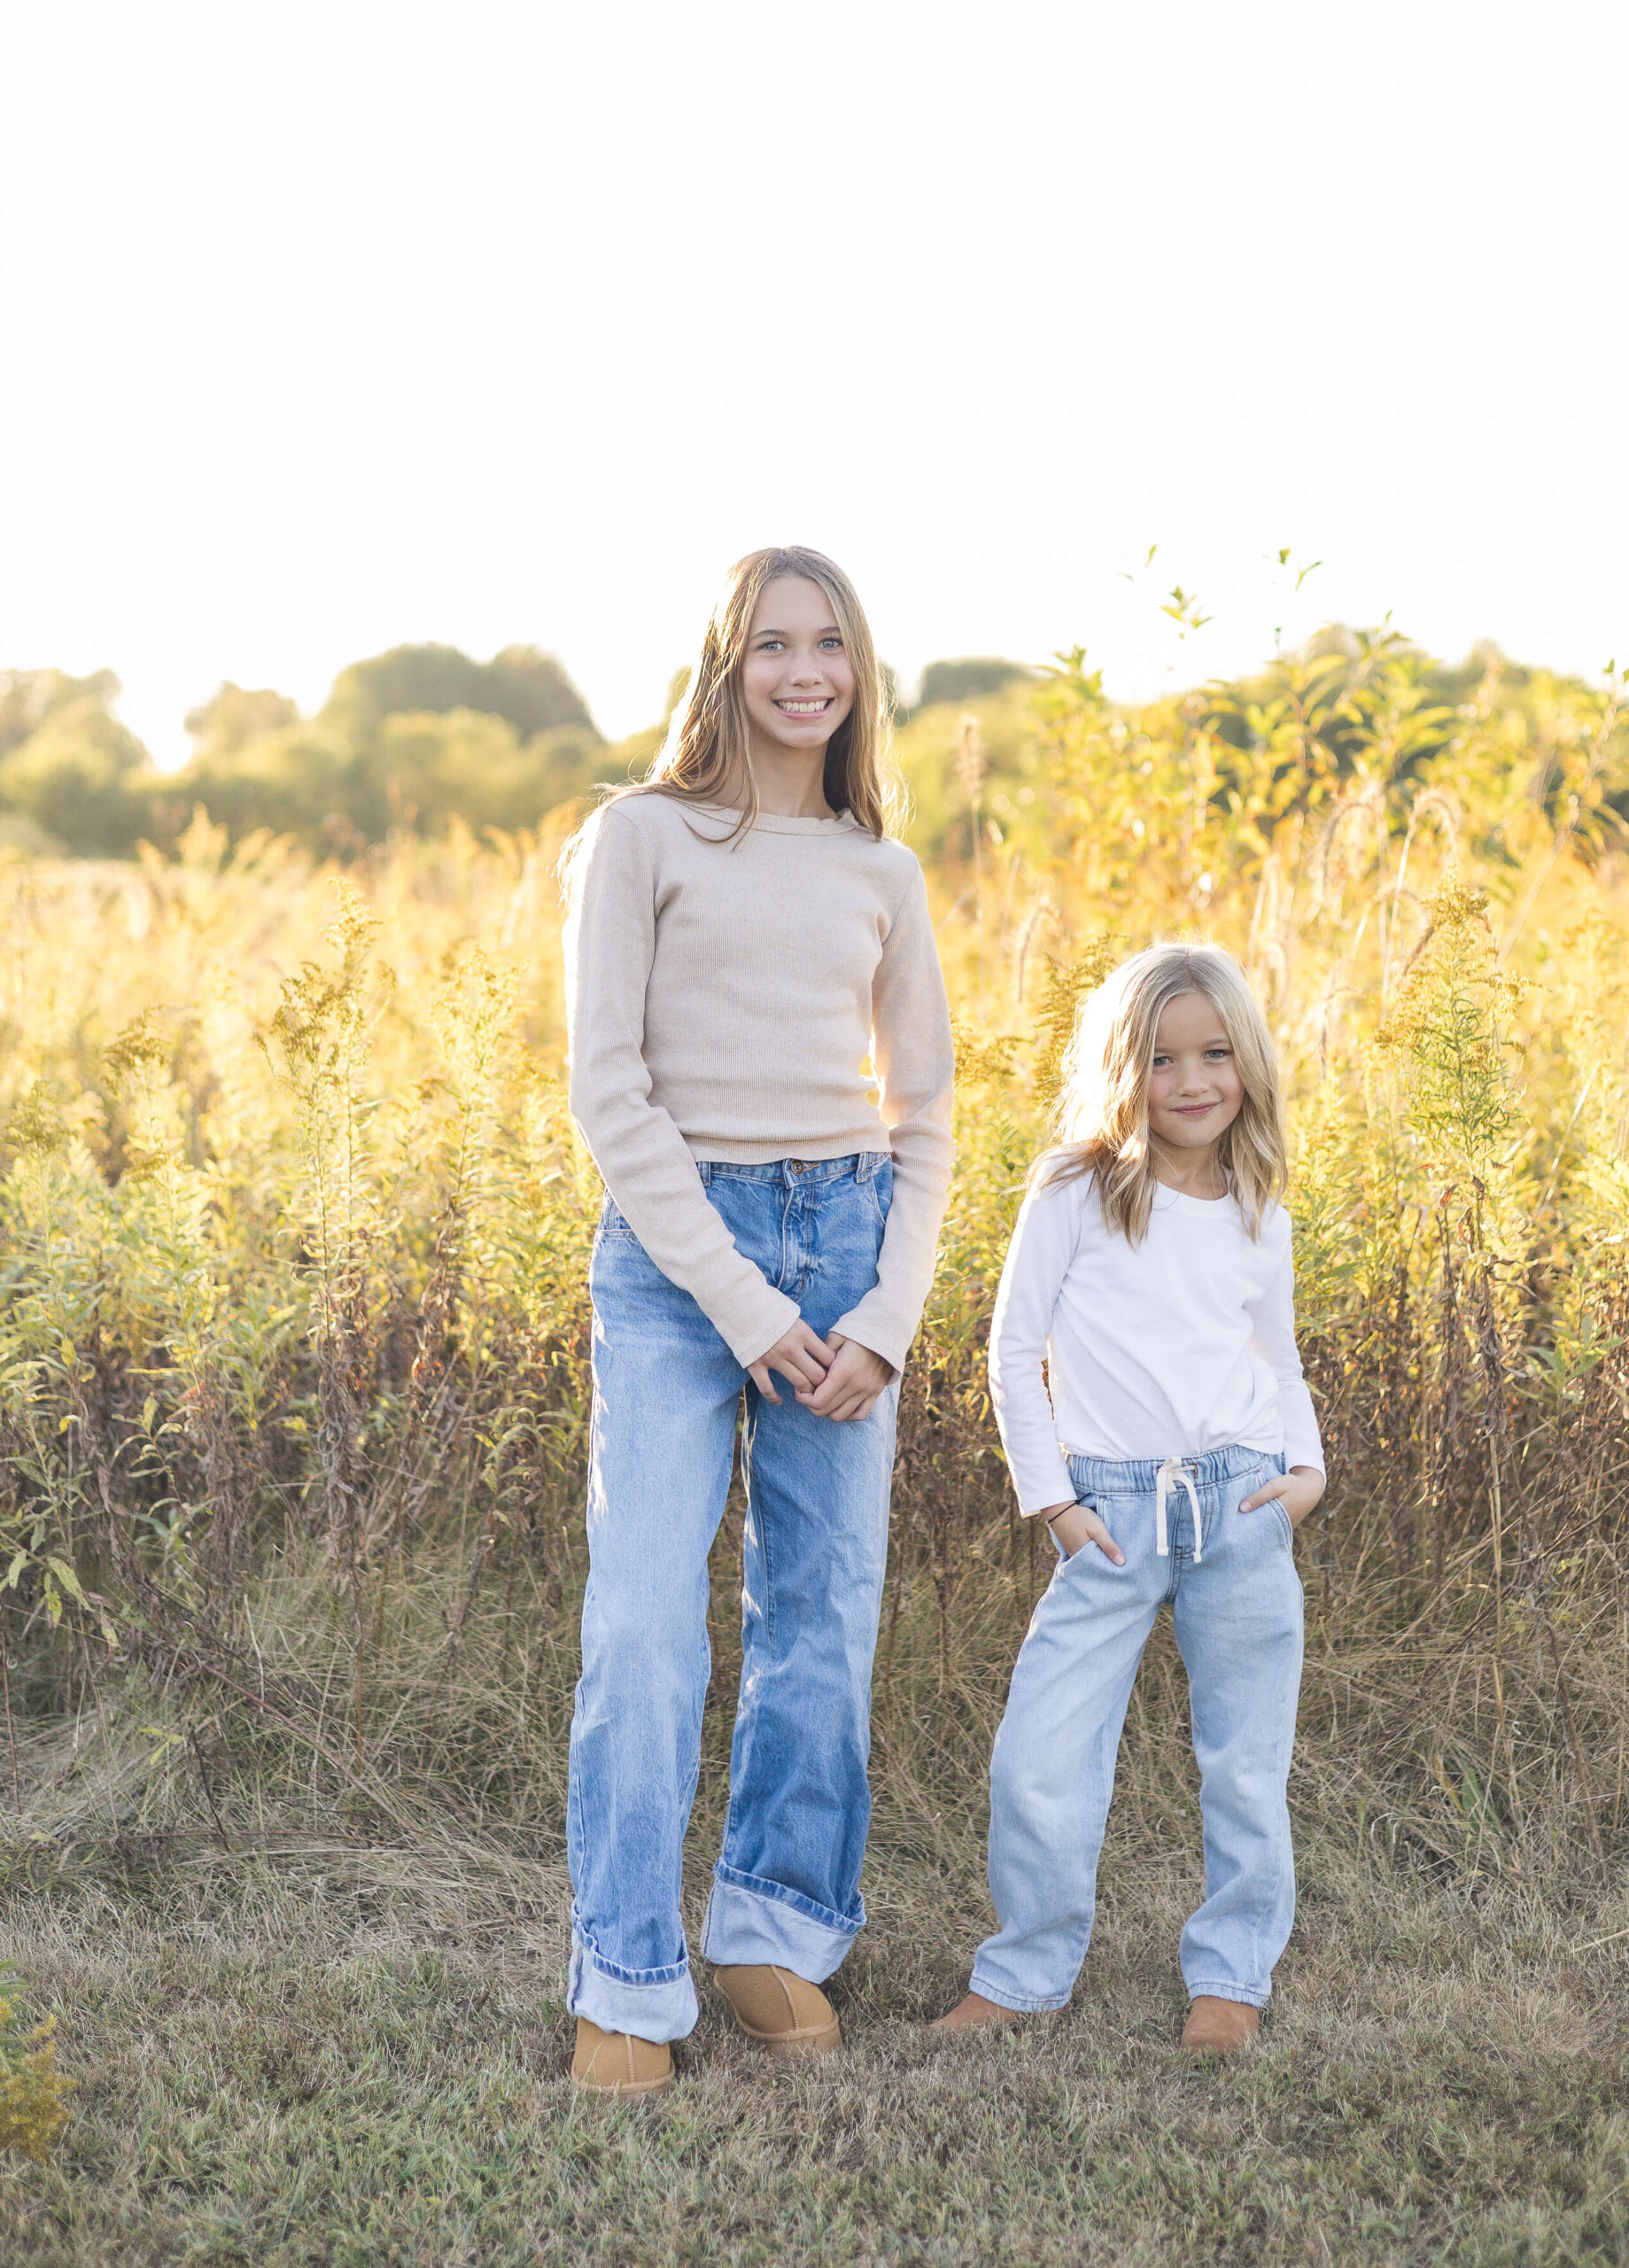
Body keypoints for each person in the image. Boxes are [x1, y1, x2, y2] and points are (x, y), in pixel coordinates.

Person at [561, 547, 954, 2097]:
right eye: (773, 645)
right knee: (646, 1625)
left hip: (843, 1244)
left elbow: (922, 1113)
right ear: (724, 664)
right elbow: (609, 1088)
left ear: (859, 673)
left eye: (831, 646)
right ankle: (627, 1978)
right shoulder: (638, 837)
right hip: (677, 1259)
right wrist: (738, 1302)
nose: (804, 672)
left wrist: (882, 1318)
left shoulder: (881, 869)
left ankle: (768, 1932)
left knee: (819, 1621)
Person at [935, 943, 1323, 2053]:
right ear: (1123, 1067)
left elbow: (1275, 1354)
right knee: (1041, 1753)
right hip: (1106, 1512)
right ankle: (1022, 1972)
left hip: (1241, 1507)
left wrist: (1306, 1476)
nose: (1191, 1081)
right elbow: (1013, 1352)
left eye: (1213, 1054)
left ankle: (1230, 1976)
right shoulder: (1074, 1190)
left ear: (1245, 1061)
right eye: (1161, 1058)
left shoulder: (1257, 1205)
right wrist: (1053, 1503)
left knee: (1243, 1759)